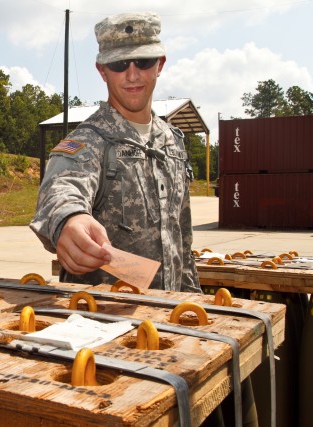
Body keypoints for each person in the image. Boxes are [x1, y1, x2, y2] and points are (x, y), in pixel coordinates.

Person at [30, 12, 199, 292]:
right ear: (102, 70)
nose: (132, 75)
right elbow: (62, 189)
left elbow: (183, 243)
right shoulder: (88, 142)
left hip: (171, 319)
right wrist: (70, 220)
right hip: (106, 321)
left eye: (143, 62)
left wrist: (195, 304)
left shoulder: (172, 143)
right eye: (119, 64)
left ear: (160, 64)